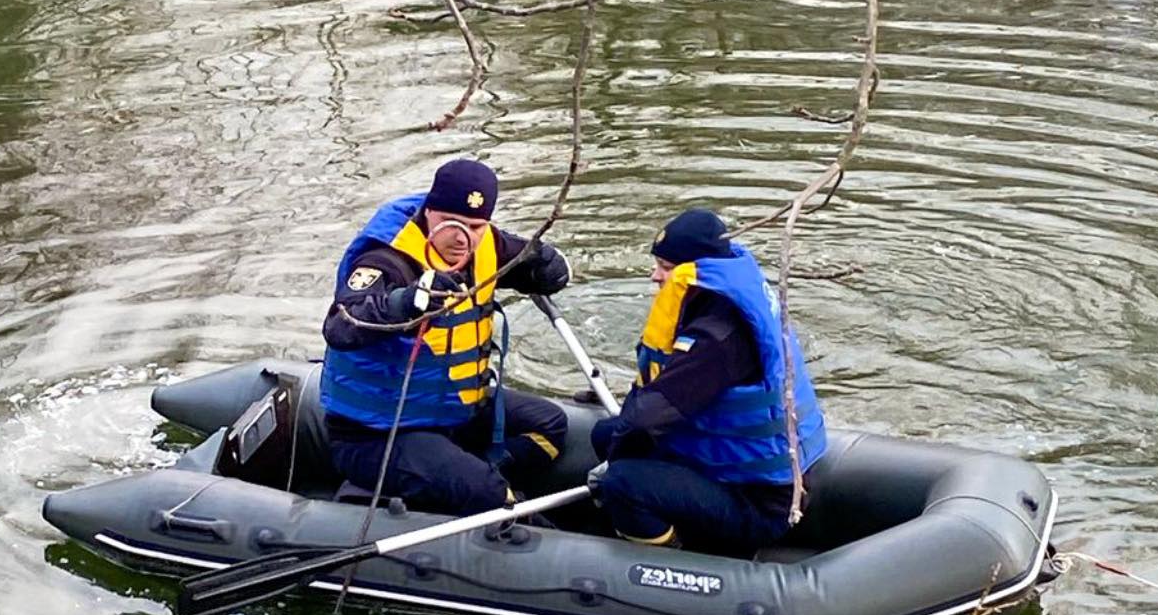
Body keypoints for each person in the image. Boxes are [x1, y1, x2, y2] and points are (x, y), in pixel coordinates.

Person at [319, 158, 573, 515]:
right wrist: (404, 302)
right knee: (486, 493)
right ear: (429, 212)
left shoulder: (484, 242)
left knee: (550, 426)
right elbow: (341, 326)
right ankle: (485, 494)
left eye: (475, 226)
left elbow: (526, 260)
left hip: (452, 410)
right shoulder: (386, 260)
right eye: (451, 224)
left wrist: (548, 266)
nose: (462, 238)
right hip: (379, 433)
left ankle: (461, 480)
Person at [589, 208, 827, 554]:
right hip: (746, 473)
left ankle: (680, 556)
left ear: (696, 272)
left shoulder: (717, 340)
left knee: (622, 483)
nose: (655, 276)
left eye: (666, 269)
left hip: (757, 502)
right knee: (604, 434)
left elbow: (645, 420)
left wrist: (617, 462)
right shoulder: (721, 305)